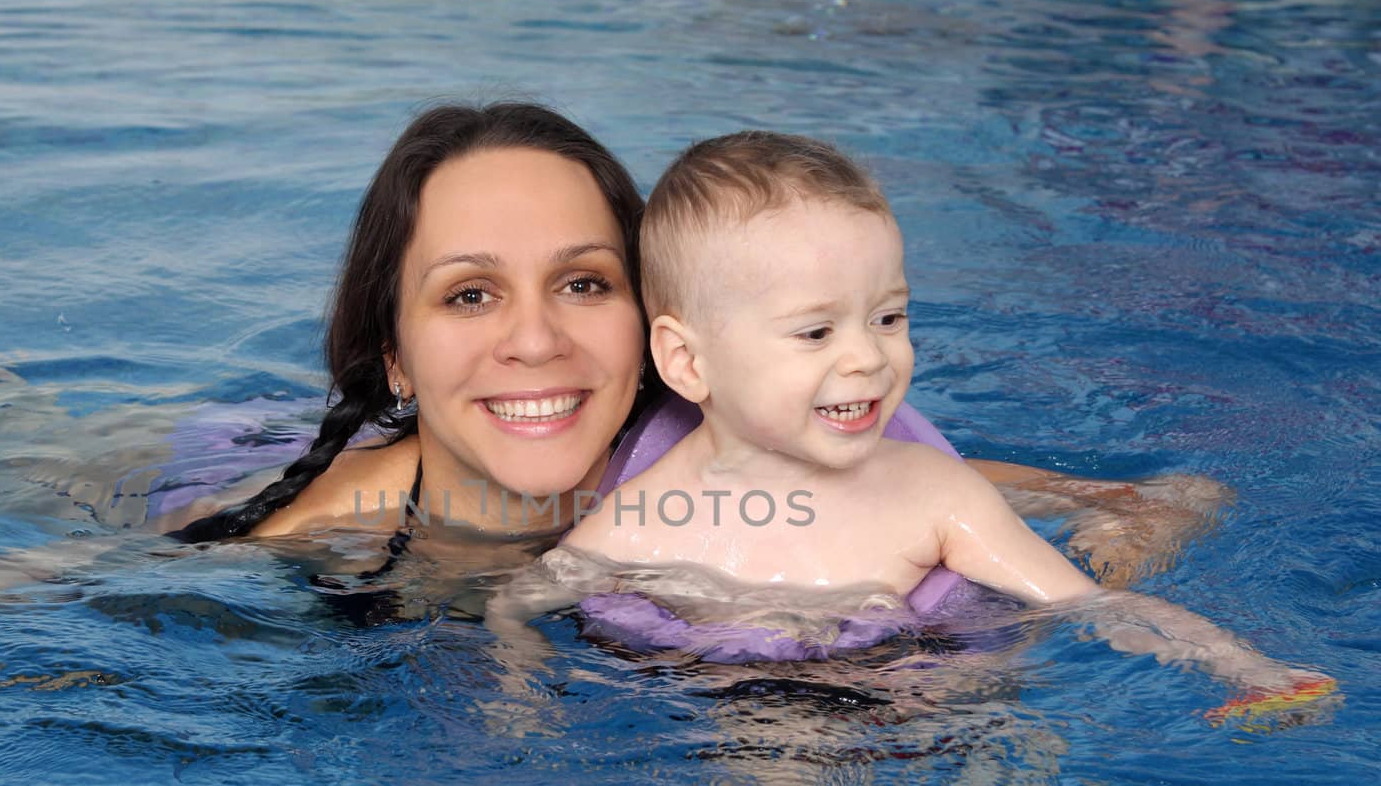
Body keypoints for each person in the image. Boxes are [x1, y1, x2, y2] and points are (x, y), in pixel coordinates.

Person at [169, 102, 1225, 597]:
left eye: (584, 283)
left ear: (667, 338)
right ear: (393, 357)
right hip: (226, 452)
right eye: (470, 294)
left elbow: (1114, 494)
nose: (535, 339)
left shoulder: (727, 446)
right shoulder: (315, 525)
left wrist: (1137, 511)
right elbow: (74, 586)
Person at [499, 130, 1329, 693]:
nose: (868, 355)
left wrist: (1244, 667)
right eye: (816, 330)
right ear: (688, 361)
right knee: (783, 769)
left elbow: (1089, 606)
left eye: (889, 317)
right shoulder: (647, 517)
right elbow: (517, 603)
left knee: (1027, 779)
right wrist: (517, 693)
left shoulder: (934, 494)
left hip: (937, 697)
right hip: (745, 711)